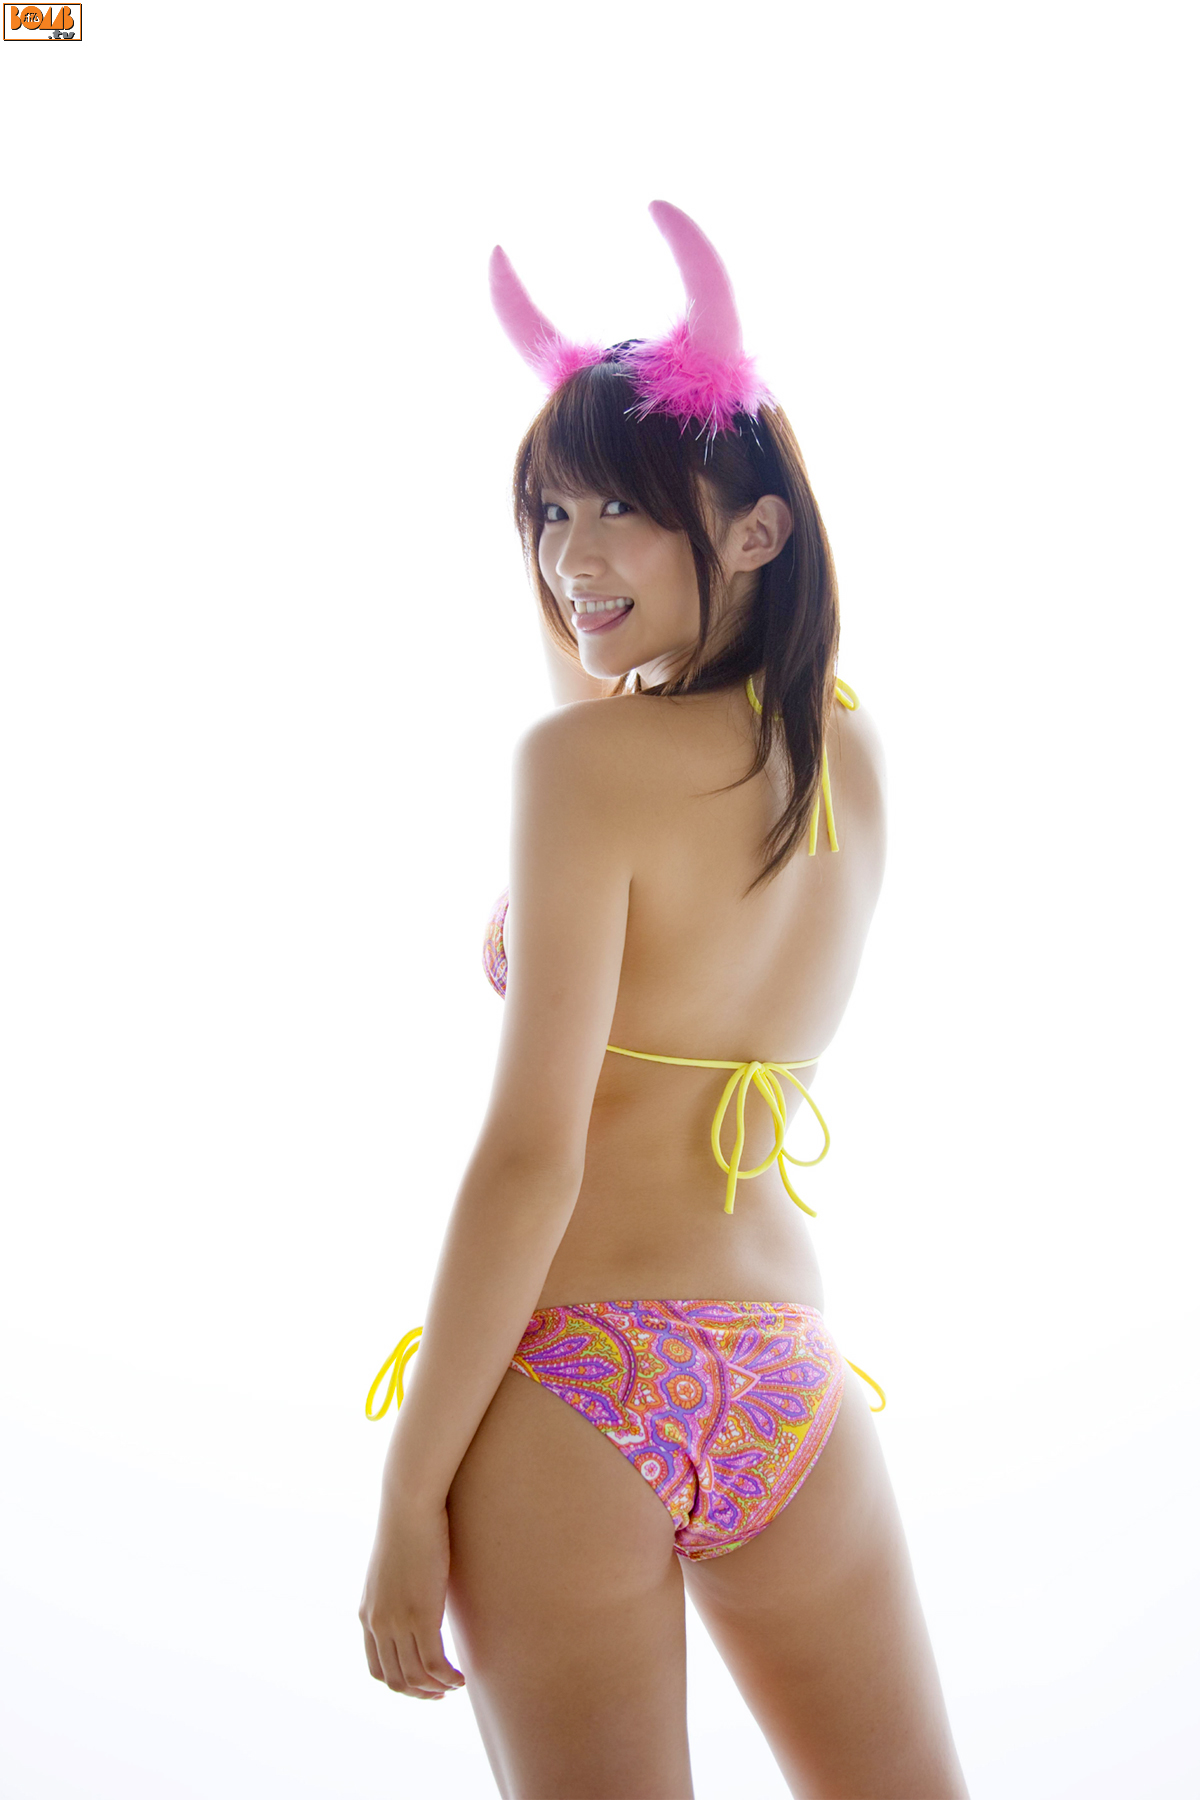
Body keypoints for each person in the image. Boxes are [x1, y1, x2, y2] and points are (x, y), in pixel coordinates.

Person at [359, 201, 968, 1799]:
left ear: (756, 530)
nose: (571, 558)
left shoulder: (580, 773)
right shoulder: (848, 756)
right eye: (549, 514)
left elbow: (529, 1160)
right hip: (785, 1377)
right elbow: (624, 691)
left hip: (576, 1381)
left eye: (619, 509)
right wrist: (615, 599)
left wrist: (408, 1495)